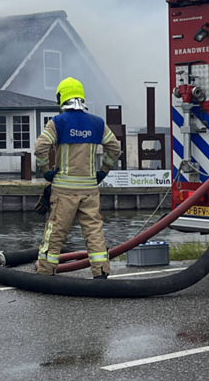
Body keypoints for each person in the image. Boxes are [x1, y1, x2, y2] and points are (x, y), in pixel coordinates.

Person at [34, 77, 121, 278]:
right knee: (94, 231)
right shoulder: (97, 123)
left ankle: (46, 272)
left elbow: (40, 148)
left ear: (61, 97)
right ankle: (101, 272)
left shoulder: (58, 122)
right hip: (90, 190)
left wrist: (45, 170)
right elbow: (114, 148)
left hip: (64, 191)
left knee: (55, 232)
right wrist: (103, 171)